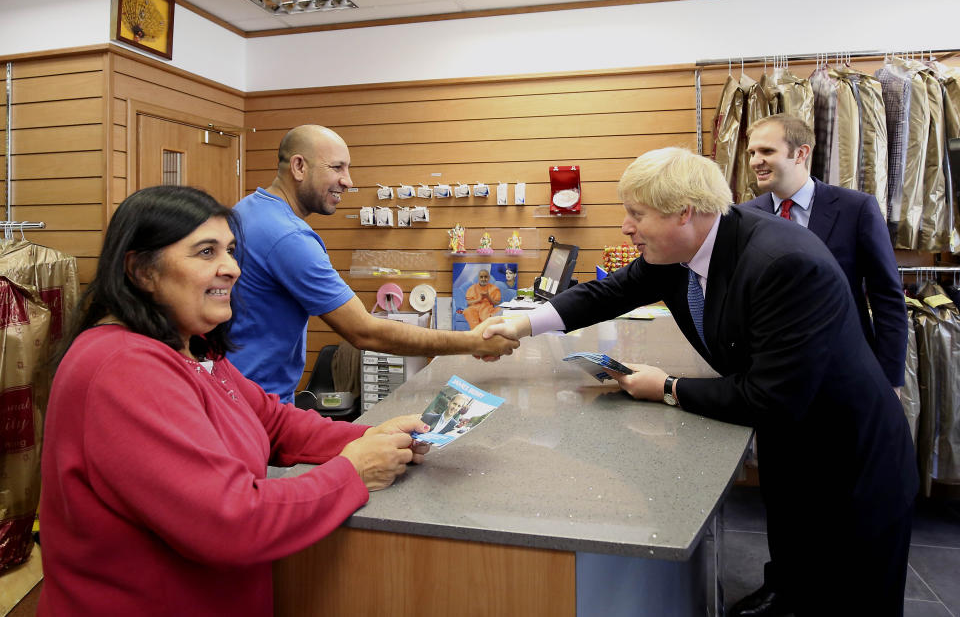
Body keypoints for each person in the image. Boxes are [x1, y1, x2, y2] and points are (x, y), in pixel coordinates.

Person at [484, 147, 918, 616]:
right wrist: (521, 326)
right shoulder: (681, 251)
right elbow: (609, 292)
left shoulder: (783, 262)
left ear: (683, 212)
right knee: (796, 552)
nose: (626, 227)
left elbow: (768, 398)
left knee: (855, 593)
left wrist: (667, 387)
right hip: (793, 445)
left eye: (636, 214)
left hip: (849, 456)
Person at [39, 186, 433, 616]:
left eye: (229, 250)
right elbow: (231, 521)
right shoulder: (123, 368)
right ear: (142, 270)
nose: (232, 268)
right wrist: (353, 471)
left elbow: (276, 423)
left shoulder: (191, 348)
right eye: (206, 252)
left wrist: (374, 435)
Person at [735, 114, 910, 616]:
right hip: (777, 382)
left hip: (844, 385)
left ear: (801, 153)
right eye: (751, 152)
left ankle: (836, 594)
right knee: (784, 492)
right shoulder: (744, 215)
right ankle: (782, 587)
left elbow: (887, 298)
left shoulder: (854, 209)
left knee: (844, 497)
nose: (756, 161)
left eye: (767, 151)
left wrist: (889, 378)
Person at [227, 125, 517, 401]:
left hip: (232, 391)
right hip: (256, 405)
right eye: (337, 167)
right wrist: (474, 341)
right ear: (299, 167)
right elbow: (364, 331)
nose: (348, 181)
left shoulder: (247, 210)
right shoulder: (288, 237)